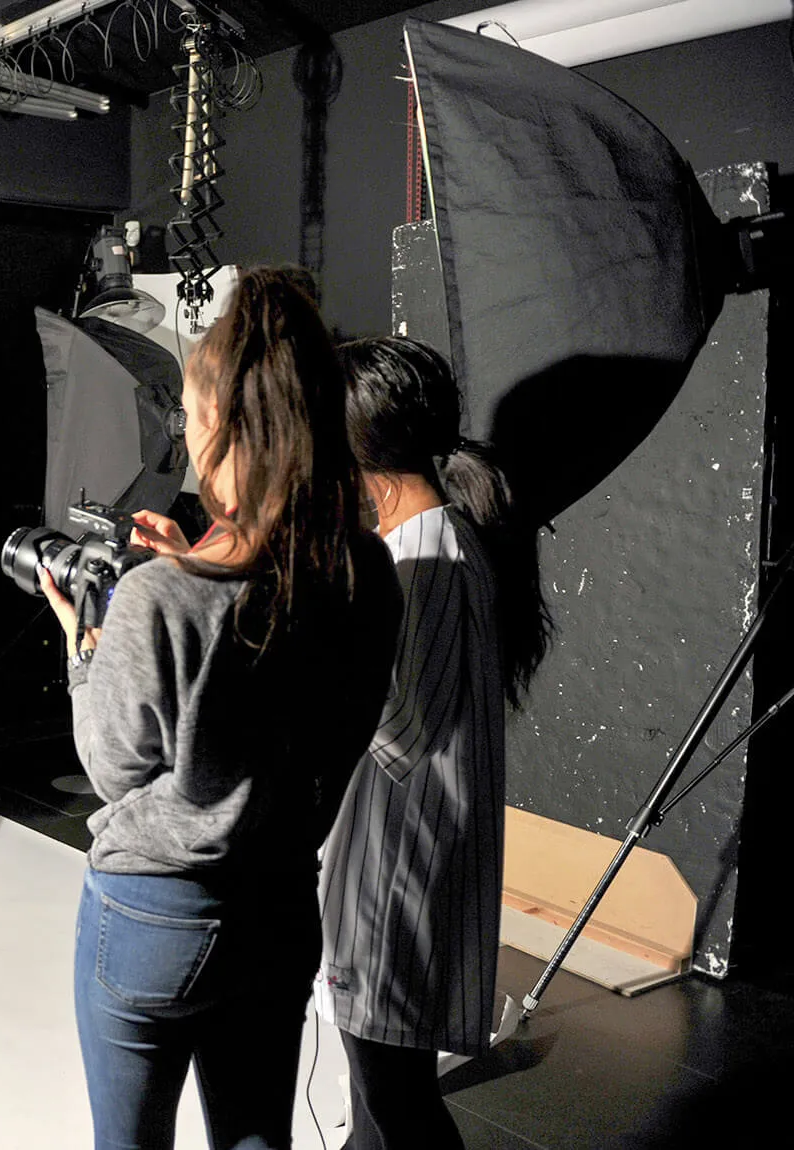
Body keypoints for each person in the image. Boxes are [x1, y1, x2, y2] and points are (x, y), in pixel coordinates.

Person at [41, 268, 403, 1150]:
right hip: (281, 908)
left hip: (155, 917)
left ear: (229, 430)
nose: (188, 436)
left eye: (194, 419)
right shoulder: (366, 571)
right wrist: (192, 556)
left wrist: (86, 642)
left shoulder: (158, 600)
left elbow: (113, 767)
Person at [316, 335, 552, 1150]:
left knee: (395, 1097)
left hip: (397, 872)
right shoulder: (425, 546)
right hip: (398, 866)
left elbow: (397, 731)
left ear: (358, 448)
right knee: (377, 1094)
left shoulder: (427, 559)